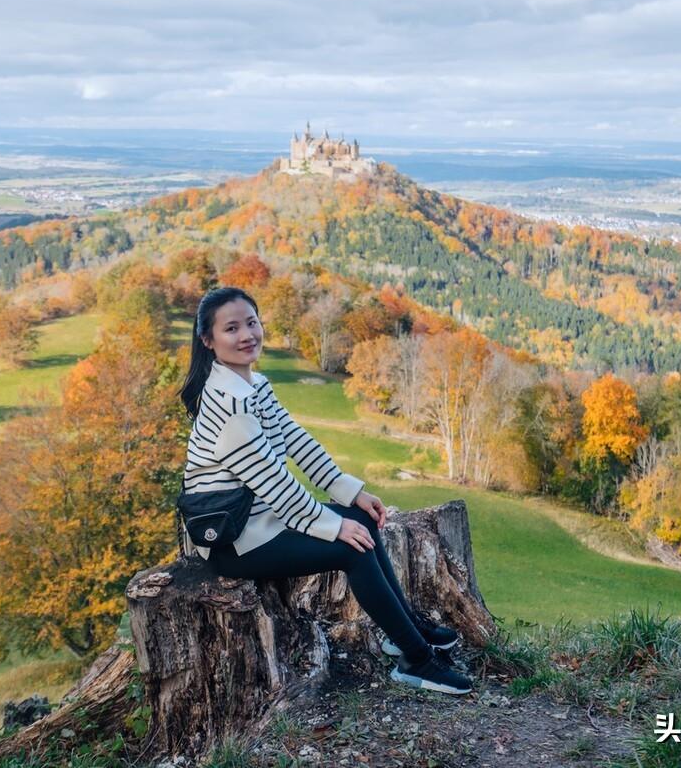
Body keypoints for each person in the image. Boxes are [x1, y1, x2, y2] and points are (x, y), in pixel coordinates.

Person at [178, 286, 473, 695]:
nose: (247, 334)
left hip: (260, 517)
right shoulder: (228, 405)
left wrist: (350, 495)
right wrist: (329, 525)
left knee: (361, 521)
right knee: (350, 544)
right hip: (234, 540)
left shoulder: (252, 386)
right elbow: (273, 482)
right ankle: (416, 660)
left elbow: (297, 441)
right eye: (232, 328)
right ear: (208, 341)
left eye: (251, 322)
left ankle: (403, 626)